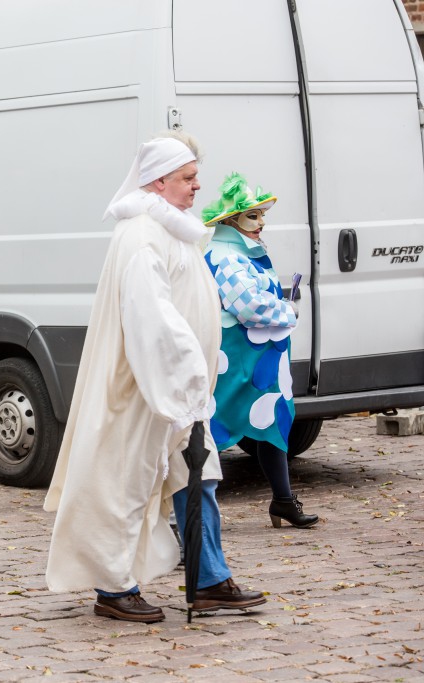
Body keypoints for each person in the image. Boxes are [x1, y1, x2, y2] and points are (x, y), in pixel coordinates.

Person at [44, 132, 267, 624]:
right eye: (188, 178)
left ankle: (209, 579)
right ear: (158, 181)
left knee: (198, 477)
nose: (197, 186)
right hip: (143, 389)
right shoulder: (141, 236)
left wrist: (192, 386)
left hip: (180, 392)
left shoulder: (174, 231)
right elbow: (153, 317)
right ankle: (114, 588)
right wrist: (184, 374)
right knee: (122, 485)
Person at [201, 173, 318, 529]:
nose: (261, 222)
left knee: (272, 421)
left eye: (262, 215)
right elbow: (248, 306)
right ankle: (186, 510)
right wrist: (288, 311)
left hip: (262, 358)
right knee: (214, 427)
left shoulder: (242, 252)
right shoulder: (225, 256)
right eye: (252, 216)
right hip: (238, 361)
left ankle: (283, 500)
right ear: (229, 222)